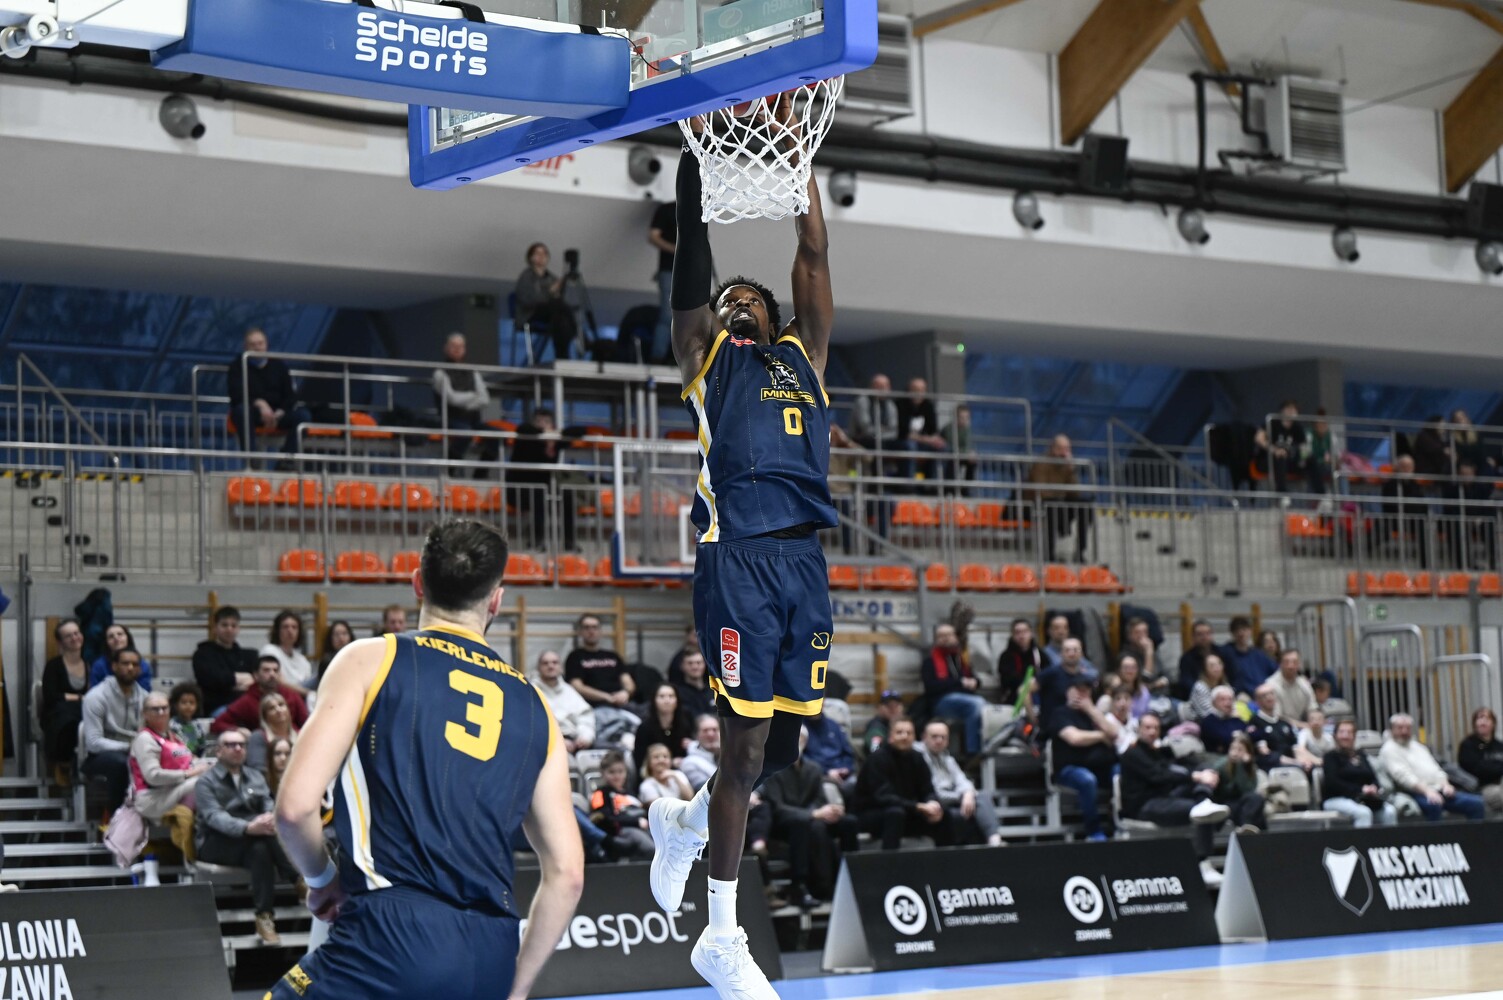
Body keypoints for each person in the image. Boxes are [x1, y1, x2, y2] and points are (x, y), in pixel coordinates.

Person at [646, 124, 839, 1000]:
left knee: (781, 751)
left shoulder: (805, 356)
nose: (731, 303)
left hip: (804, 565)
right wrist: (694, 172)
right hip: (739, 562)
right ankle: (720, 936)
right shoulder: (707, 360)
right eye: (723, 300)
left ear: (772, 314)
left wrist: (798, 161)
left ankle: (684, 823)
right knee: (745, 745)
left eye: (745, 298)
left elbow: (812, 251)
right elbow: (693, 267)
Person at [268, 519, 583, 999]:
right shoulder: (537, 706)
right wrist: (514, 990)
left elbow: (293, 809)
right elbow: (568, 875)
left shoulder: (370, 659)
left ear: (418, 582)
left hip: (391, 936)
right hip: (491, 953)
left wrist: (322, 878)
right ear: (496, 601)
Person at [198, 730, 299, 946]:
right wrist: (247, 827)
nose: (237, 749)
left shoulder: (255, 776)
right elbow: (214, 817)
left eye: (242, 745)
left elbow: (268, 804)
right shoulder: (206, 781)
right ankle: (297, 879)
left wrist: (268, 818)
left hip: (253, 840)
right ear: (218, 751)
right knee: (260, 839)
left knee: (260, 849)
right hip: (215, 842)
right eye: (230, 744)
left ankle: (264, 917)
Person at [1118, 712, 1228, 886]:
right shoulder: (1132, 754)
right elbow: (1159, 776)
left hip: (1165, 798)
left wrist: (1204, 773)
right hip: (1144, 806)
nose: (1152, 731)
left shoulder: (1158, 752)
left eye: (1156, 728)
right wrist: (1196, 777)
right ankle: (1203, 863)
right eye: (1148, 727)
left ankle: (1204, 802)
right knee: (1199, 808)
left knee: (1204, 771)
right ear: (1138, 729)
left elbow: (1176, 770)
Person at [761, 727, 857, 906]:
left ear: (805, 742)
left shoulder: (814, 768)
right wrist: (813, 814)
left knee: (848, 822)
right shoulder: (771, 768)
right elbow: (777, 807)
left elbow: (819, 799)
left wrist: (829, 811)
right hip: (783, 822)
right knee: (806, 824)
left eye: (799, 738)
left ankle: (852, 879)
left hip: (811, 818)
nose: (794, 741)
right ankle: (802, 886)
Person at [852, 718, 956, 850]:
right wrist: (917, 806)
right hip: (872, 814)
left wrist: (932, 803)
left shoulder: (917, 757)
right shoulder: (877, 759)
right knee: (895, 813)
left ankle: (946, 859)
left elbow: (927, 789)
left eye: (909, 733)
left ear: (914, 737)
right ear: (890, 737)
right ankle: (890, 860)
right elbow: (883, 797)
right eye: (899, 732)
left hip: (907, 811)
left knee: (943, 814)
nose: (904, 736)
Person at [128, 693, 210, 837]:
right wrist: (187, 774)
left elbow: (188, 759)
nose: (161, 712)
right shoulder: (145, 739)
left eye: (164, 708)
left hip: (174, 788)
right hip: (152, 797)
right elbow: (153, 776)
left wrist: (208, 765)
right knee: (201, 782)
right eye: (155, 709)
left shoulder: (172, 736)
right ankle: (193, 831)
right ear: (145, 714)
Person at [1379, 713, 1486, 822]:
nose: (1404, 731)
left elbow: (1436, 769)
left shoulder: (1418, 747)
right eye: (1400, 728)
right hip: (1414, 793)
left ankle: (1474, 834)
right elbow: (1404, 777)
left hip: (1438, 789)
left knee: (1477, 803)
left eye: (1407, 728)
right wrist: (1427, 792)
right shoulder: (1389, 749)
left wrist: (1446, 785)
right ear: (1392, 730)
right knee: (1434, 805)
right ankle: (1440, 834)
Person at [1049, 677, 1118, 842]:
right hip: (1069, 769)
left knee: (1121, 772)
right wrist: (1101, 736)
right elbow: (1075, 738)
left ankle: (1119, 821)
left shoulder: (1093, 715)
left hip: (1100, 765)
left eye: (1086, 691)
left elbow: (1114, 733)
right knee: (1087, 780)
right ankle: (1094, 831)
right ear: (1068, 692)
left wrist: (1092, 710)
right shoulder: (1060, 713)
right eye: (1078, 690)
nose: (1082, 694)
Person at [227, 327, 311, 457]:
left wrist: (279, 412)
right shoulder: (237, 366)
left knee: (303, 416)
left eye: (260, 343)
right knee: (241, 411)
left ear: (266, 344)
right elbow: (236, 395)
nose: (257, 348)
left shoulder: (279, 366)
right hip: (252, 413)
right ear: (245, 347)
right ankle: (251, 458)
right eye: (253, 344)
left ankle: (287, 460)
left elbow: (290, 396)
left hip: (277, 414)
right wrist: (259, 404)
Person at [80, 647, 147, 811]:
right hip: (99, 756)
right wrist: (128, 747)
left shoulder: (145, 697)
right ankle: (116, 818)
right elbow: (93, 743)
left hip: (135, 751)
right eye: (125, 663)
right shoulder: (96, 697)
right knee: (121, 763)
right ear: (114, 666)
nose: (130, 668)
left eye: (135, 664)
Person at [919, 720, 1001, 846]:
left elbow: (962, 780)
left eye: (943, 737)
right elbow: (934, 791)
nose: (939, 740)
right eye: (934, 736)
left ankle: (994, 840)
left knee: (983, 796)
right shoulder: (919, 757)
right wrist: (962, 796)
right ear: (924, 737)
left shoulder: (947, 758)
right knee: (969, 807)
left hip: (952, 797)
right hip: (933, 800)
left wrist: (968, 793)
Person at [509, 408, 577, 552]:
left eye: (546, 421)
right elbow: (523, 429)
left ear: (552, 425)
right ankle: (536, 541)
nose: (541, 424)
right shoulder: (526, 437)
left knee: (567, 495)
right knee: (539, 494)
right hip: (518, 488)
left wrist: (555, 434)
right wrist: (545, 432)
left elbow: (579, 431)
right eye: (538, 421)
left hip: (544, 488)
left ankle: (569, 542)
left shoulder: (555, 441)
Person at [432, 332, 498, 468]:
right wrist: (473, 395)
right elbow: (452, 399)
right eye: (453, 346)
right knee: (465, 433)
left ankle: (480, 473)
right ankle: (449, 470)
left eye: (460, 346)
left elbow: (484, 399)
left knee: (497, 435)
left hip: (474, 421)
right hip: (450, 420)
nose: (457, 349)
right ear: (446, 348)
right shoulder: (440, 373)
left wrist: (466, 403)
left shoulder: (473, 373)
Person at [1025, 434, 1091, 562]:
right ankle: (1049, 554)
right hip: (1037, 504)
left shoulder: (1066, 466)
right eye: (1062, 449)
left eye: (1067, 449)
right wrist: (1059, 497)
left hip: (1059, 503)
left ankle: (1080, 552)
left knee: (1085, 505)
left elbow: (1074, 493)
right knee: (1052, 507)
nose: (1065, 453)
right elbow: (1041, 491)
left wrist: (1071, 470)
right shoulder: (1041, 463)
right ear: (1053, 448)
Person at [922, 623, 986, 756]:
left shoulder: (961, 659)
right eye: (941, 636)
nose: (945, 638)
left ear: (955, 637)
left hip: (964, 700)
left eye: (949, 635)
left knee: (988, 709)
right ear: (936, 639)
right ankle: (973, 752)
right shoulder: (930, 661)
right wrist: (959, 683)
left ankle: (987, 748)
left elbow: (975, 679)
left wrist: (974, 682)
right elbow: (931, 687)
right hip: (941, 702)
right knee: (976, 704)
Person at [1321, 719, 1398, 827]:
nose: (1345, 736)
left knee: (1390, 811)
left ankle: (1389, 839)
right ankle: (1362, 839)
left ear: (1354, 736)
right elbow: (1332, 782)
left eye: (1349, 732)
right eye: (1342, 732)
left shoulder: (1361, 755)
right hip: (1336, 799)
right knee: (1363, 813)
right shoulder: (1330, 757)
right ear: (1335, 735)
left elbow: (1372, 777)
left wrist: (1374, 787)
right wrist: (1360, 790)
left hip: (1363, 799)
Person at [210, 656, 309, 735]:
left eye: (275, 670)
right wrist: (238, 730)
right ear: (256, 675)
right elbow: (217, 724)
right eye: (266, 670)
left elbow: (307, 724)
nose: (272, 674)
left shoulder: (292, 695)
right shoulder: (247, 701)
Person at [40, 618, 89, 776]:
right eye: (68, 636)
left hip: (84, 710)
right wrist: (80, 698)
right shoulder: (53, 666)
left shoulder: (90, 664)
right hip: (59, 714)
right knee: (68, 721)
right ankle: (64, 762)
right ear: (60, 642)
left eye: (76, 633)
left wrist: (76, 698)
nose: (74, 638)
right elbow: (51, 696)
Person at [515, 242, 579, 362]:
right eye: (538, 253)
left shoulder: (552, 278)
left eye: (544, 253)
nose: (541, 256)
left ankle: (563, 356)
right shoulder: (526, 277)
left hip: (552, 315)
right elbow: (527, 300)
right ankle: (577, 337)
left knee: (562, 320)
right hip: (531, 314)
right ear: (531, 257)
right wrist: (550, 293)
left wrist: (559, 291)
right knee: (557, 306)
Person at [192, 605, 256, 716]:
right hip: (217, 707)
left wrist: (227, 682)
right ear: (215, 628)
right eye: (224, 625)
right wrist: (238, 679)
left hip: (246, 705)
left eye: (233, 625)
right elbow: (211, 680)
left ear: (238, 629)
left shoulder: (248, 656)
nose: (229, 629)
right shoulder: (202, 654)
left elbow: (255, 682)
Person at [590, 751, 654, 860]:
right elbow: (604, 818)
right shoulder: (600, 794)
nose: (617, 776)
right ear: (603, 773)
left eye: (620, 772)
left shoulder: (630, 793)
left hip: (643, 828)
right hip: (620, 831)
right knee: (651, 849)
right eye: (611, 772)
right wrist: (636, 822)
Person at [532, 651, 595, 757]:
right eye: (545, 663)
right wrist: (557, 742)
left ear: (561, 667)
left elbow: (585, 716)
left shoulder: (569, 691)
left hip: (575, 743)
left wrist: (585, 736)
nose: (550, 666)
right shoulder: (530, 691)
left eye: (555, 662)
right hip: (545, 746)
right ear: (538, 668)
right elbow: (532, 726)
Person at [1247, 683, 1318, 772]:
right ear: (1257, 701)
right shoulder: (1255, 722)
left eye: (1271, 694)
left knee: (1313, 768)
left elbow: (1295, 748)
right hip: (1272, 766)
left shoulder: (1283, 722)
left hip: (1293, 763)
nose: (1269, 697)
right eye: (1264, 696)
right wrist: (1295, 762)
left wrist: (1305, 761)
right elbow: (1264, 752)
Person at [1035, 638, 1097, 734]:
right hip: (1051, 730)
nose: (1071, 654)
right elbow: (1024, 691)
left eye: (1075, 650)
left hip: (1078, 728)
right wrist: (1033, 720)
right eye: (1067, 650)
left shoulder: (1086, 678)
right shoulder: (1050, 673)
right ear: (1061, 654)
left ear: (1081, 654)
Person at [894, 377, 949, 480]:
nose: (918, 393)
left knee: (943, 448)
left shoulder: (928, 406)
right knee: (910, 446)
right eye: (915, 389)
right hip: (902, 442)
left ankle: (935, 484)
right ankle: (910, 484)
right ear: (909, 390)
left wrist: (936, 440)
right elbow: (903, 432)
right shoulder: (900, 405)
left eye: (922, 390)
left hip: (923, 443)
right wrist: (926, 439)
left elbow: (933, 430)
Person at [1214, 732, 1267, 832]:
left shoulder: (1250, 767)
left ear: (1248, 753)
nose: (1235, 753)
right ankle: (1246, 828)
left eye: (1240, 750)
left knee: (1257, 800)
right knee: (1254, 804)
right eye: (1233, 749)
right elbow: (1227, 792)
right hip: (1225, 804)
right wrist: (1239, 765)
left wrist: (1242, 766)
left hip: (1243, 804)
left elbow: (1248, 790)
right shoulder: (1222, 764)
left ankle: (1250, 830)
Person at [1457, 707, 1503, 815]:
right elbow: (1478, 769)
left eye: (1487, 719)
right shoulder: (1468, 745)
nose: (1482, 722)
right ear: (1474, 724)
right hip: (1480, 788)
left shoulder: (1499, 746)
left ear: (1493, 724)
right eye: (1479, 719)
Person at [802, 712, 856, 801]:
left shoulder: (834, 725)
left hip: (842, 771)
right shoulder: (801, 728)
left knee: (857, 785)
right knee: (829, 790)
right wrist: (827, 771)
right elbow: (803, 758)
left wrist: (846, 768)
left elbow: (848, 752)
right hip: (819, 774)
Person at [648, 200, 677, 364]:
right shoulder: (667, 209)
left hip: (691, 272)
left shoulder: (697, 211)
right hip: (669, 269)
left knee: (689, 317)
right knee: (667, 315)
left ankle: (678, 358)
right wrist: (676, 249)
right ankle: (657, 357)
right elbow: (653, 236)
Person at [1257, 400, 1307, 494]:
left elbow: (1303, 446)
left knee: (1310, 460)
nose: (1291, 412)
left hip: (1289, 462)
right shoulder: (1273, 422)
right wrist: (1274, 450)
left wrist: (1304, 458)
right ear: (1282, 410)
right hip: (1269, 460)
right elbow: (1259, 438)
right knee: (1281, 456)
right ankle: (1282, 494)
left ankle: (1322, 495)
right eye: (1288, 408)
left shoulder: (1297, 427)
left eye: (1293, 409)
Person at [1218, 616, 1276, 697]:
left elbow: (1276, 671)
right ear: (1232, 633)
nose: (1241, 633)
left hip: (1263, 695)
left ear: (1250, 631)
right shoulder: (1226, 652)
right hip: (1242, 697)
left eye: (1244, 629)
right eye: (1237, 630)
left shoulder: (1258, 654)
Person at [89, 623, 155, 693]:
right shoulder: (99, 666)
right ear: (106, 642)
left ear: (128, 638)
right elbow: (95, 692)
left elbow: (144, 691)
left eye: (120, 634)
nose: (116, 638)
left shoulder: (141, 664)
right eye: (111, 636)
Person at [260, 610, 314, 696]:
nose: (290, 630)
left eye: (294, 627)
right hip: (282, 695)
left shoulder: (302, 660)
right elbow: (279, 682)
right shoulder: (270, 651)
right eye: (285, 627)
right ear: (278, 631)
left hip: (302, 694)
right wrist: (309, 694)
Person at [994, 618, 1043, 708]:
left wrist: (1037, 681)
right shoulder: (1006, 656)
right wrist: (1027, 682)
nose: (1021, 636)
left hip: (1038, 692)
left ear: (1031, 633)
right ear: (1012, 635)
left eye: (1025, 632)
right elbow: (1007, 680)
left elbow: (1048, 673)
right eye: (1017, 632)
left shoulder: (1039, 654)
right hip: (1014, 695)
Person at [637, 683, 695, 760]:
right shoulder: (645, 728)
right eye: (662, 696)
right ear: (654, 700)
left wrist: (692, 745)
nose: (667, 701)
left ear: (677, 700)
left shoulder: (686, 722)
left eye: (671, 696)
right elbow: (640, 758)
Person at [246, 693, 299, 774]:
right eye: (272, 708)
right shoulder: (258, 737)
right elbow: (257, 769)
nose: (278, 710)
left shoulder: (300, 734)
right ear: (265, 716)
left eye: (281, 705)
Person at [1269, 649, 1316, 727]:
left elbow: (1312, 708)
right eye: (1286, 662)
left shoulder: (1304, 683)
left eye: (1295, 662)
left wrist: (1314, 721)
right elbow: (1277, 717)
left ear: (1299, 664)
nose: (1290, 666)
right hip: (1279, 727)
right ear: (1280, 664)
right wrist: (1303, 725)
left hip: (1303, 726)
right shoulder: (1270, 686)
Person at [1097, 653, 1150, 719]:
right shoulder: (1112, 689)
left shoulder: (1143, 691)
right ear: (1119, 670)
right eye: (1126, 667)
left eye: (1133, 667)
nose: (1130, 671)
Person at [1176, 620, 1218, 700]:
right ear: (1193, 637)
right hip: (1197, 697)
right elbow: (1187, 683)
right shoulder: (1187, 658)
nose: (1204, 637)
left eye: (1207, 633)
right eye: (1200, 634)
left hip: (1221, 695)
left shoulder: (1221, 653)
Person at [1198, 685, 1246, 755]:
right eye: (1222, 699)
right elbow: (1225, 739)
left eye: (1230, 699)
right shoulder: (1208, 721)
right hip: (1216, 757)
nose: (1228, 703)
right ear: (1213, 703)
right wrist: (1240, 734)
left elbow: (1250, 735)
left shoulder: (1236, 719)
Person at [680, 714, 721, 791]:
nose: (710, 734)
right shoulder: (689, 763)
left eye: (714, 730)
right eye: (705, 731)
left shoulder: (731, 754)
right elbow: (705, 790)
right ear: (696, 735)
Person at [168, 681, 208, 756]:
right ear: (176, 705)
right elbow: (171, 750)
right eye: (184, 702)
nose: (188, 706)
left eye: (192, 703)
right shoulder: (171, 725)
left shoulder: (198, 725)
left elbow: (202, 746)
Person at [941, 404, 977, 483]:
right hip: (948, 457)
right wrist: (966, 452)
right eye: (962, 417)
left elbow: (968, 445)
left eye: (967, 417)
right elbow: (950, 447)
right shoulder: (948, 429)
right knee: (951, 462)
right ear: (956, 417)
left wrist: (971, 453)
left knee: (972, 462)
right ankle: (950, 488)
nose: (964, 420)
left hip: (961, 455)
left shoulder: (967, 430)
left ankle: (967, 488)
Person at [674, 651, 716, 721]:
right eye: (690, 663)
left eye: (698, 663)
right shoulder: (677, 693)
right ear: (681, 666)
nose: (695, 667)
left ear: (705, 664)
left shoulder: (714, 690)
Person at [315, 620, 354, 689]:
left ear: (350, 636)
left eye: (344, 633)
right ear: (331, 639)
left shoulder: (358, 657)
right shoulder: (326, 661)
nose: (341, 638)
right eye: (336, 634)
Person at [1187, 654, 1228, 720]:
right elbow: (1207, 714)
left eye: (1219, 664)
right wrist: (1228, 714)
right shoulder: (1200, 687)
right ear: (1205, 669)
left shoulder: (1224, 685)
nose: (1217, 668)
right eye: (1212, 666)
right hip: (1203, 722)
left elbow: (1232, 705)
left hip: (1223, 719)